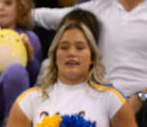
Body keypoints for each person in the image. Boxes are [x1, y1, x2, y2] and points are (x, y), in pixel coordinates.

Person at [7, 22, 137, 127]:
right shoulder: (28, 100)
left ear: (92, 57)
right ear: (54, 57)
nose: (71, 53)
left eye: (80, 47)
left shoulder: (112, 99)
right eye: (64, 47)